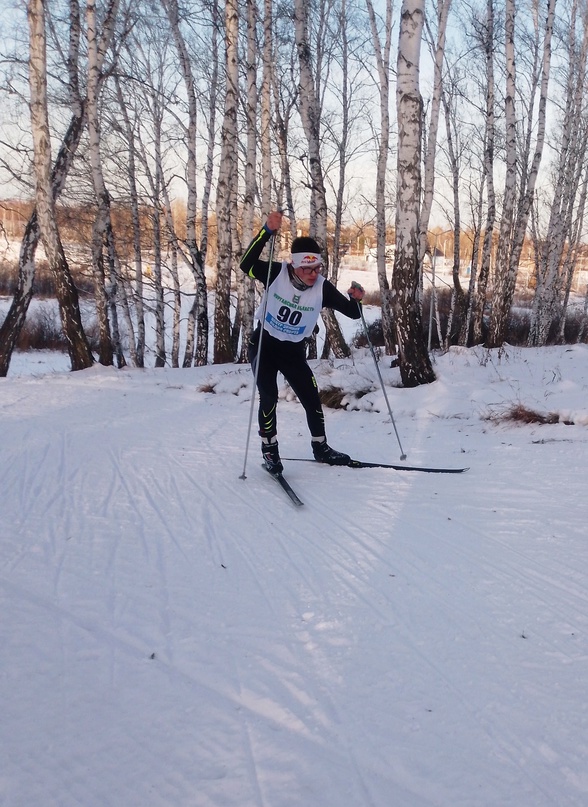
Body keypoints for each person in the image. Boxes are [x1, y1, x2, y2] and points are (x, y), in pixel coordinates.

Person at [240, 210, 365, 475]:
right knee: (269, 395)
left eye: (317, 268)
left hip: (292, 351)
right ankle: (270, 449)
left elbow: (353, 313)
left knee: (310, 397)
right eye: (307, 269)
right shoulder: (277, 273)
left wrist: (357, 298)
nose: (312, 274)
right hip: (264, 344)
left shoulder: (322, 287)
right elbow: (246, 265)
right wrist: (266, 232)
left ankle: (321, 448)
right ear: (295, 265)